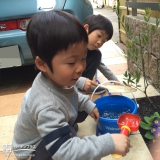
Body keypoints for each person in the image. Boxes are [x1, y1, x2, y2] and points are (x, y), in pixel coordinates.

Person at [12, 10, 130, 160]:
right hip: (31, 150)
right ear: (42, 64)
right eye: (71, 62)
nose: (81, 67)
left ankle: (64, 131)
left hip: (48, 128)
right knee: (69, 151)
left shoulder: (58, 79)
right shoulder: (47, 105)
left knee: (77, 117)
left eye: (83, 58)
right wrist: (108, 143)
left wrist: (88, 104)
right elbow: (64, 152)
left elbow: (72, 94)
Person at [76, 14, 119, 94]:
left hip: (78, 79)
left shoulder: (92, 51)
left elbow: (101, 65)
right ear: (86, 29)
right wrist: (80, 81)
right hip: (62, 82)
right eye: (99, 36)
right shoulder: (70, 47)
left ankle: (85, 87)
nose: (100, 42)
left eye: (103, 41)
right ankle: (79, 84)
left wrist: (115, 80)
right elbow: (58, 72)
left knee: (96, 55)